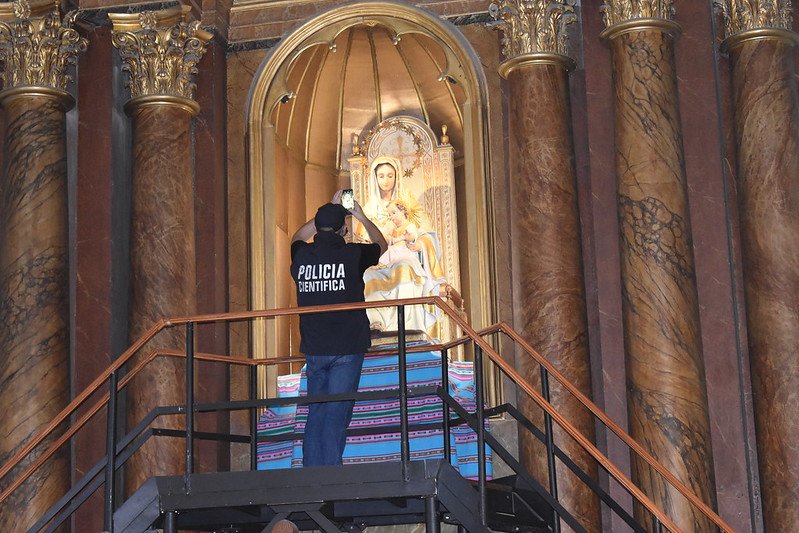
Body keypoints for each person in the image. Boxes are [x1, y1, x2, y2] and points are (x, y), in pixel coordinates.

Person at [290, 190, 387, 467]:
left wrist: (326, 212)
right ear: (345, 229)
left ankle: (312, 476)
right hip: (346, 347)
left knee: (316, 412)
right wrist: (361, 216)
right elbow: (381, 243)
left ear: (318, 229)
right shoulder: (353, 254)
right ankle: (330, 480)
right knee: (337, 411)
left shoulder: (301, 255)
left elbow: (297, 236)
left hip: (315, 348)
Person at [356, 155, 402, 240]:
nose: (386, 181)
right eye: (381, 176)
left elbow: (418, 233)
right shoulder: (369, 209)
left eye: (390, 176)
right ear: (375, 178)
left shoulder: (405, 205)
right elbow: (361, 237)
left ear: (396, 177)